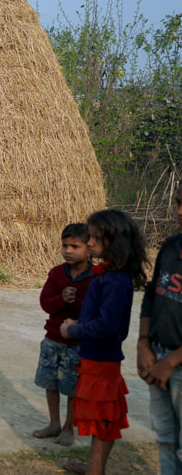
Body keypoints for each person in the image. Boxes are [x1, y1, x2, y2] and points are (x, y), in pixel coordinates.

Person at [60, 209, 148, 475]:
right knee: (103, 420)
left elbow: (107, 325)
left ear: (114, 242)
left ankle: (95, 470)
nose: (90, 243)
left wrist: (73, 331)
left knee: (101, 421)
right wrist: (80, 326)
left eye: (95, 238)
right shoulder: (107, 274)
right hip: (98, 358)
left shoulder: (115, 279)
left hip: (101, 361)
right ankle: (94, 467)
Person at [32, 223, 94, 445]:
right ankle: (54, 423)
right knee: (51, 383)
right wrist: (61, 299)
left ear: (90, 248)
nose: (68, 250)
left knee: (72, 387)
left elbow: (95, 311)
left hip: (77, 343)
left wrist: (75, 301)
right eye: (65, 245)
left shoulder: (95, 278)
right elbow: (45, 303)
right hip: (52, 340)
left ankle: (69, 427)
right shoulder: (57, 273)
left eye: (75, 246)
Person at [137, 182, 182, 474]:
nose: (179, 211)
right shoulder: (170, 246)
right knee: (165, 439)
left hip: (174, 363)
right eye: (178, 201)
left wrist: (171, 362)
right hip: (157, 355)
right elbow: (153, 294)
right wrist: (143, 344)